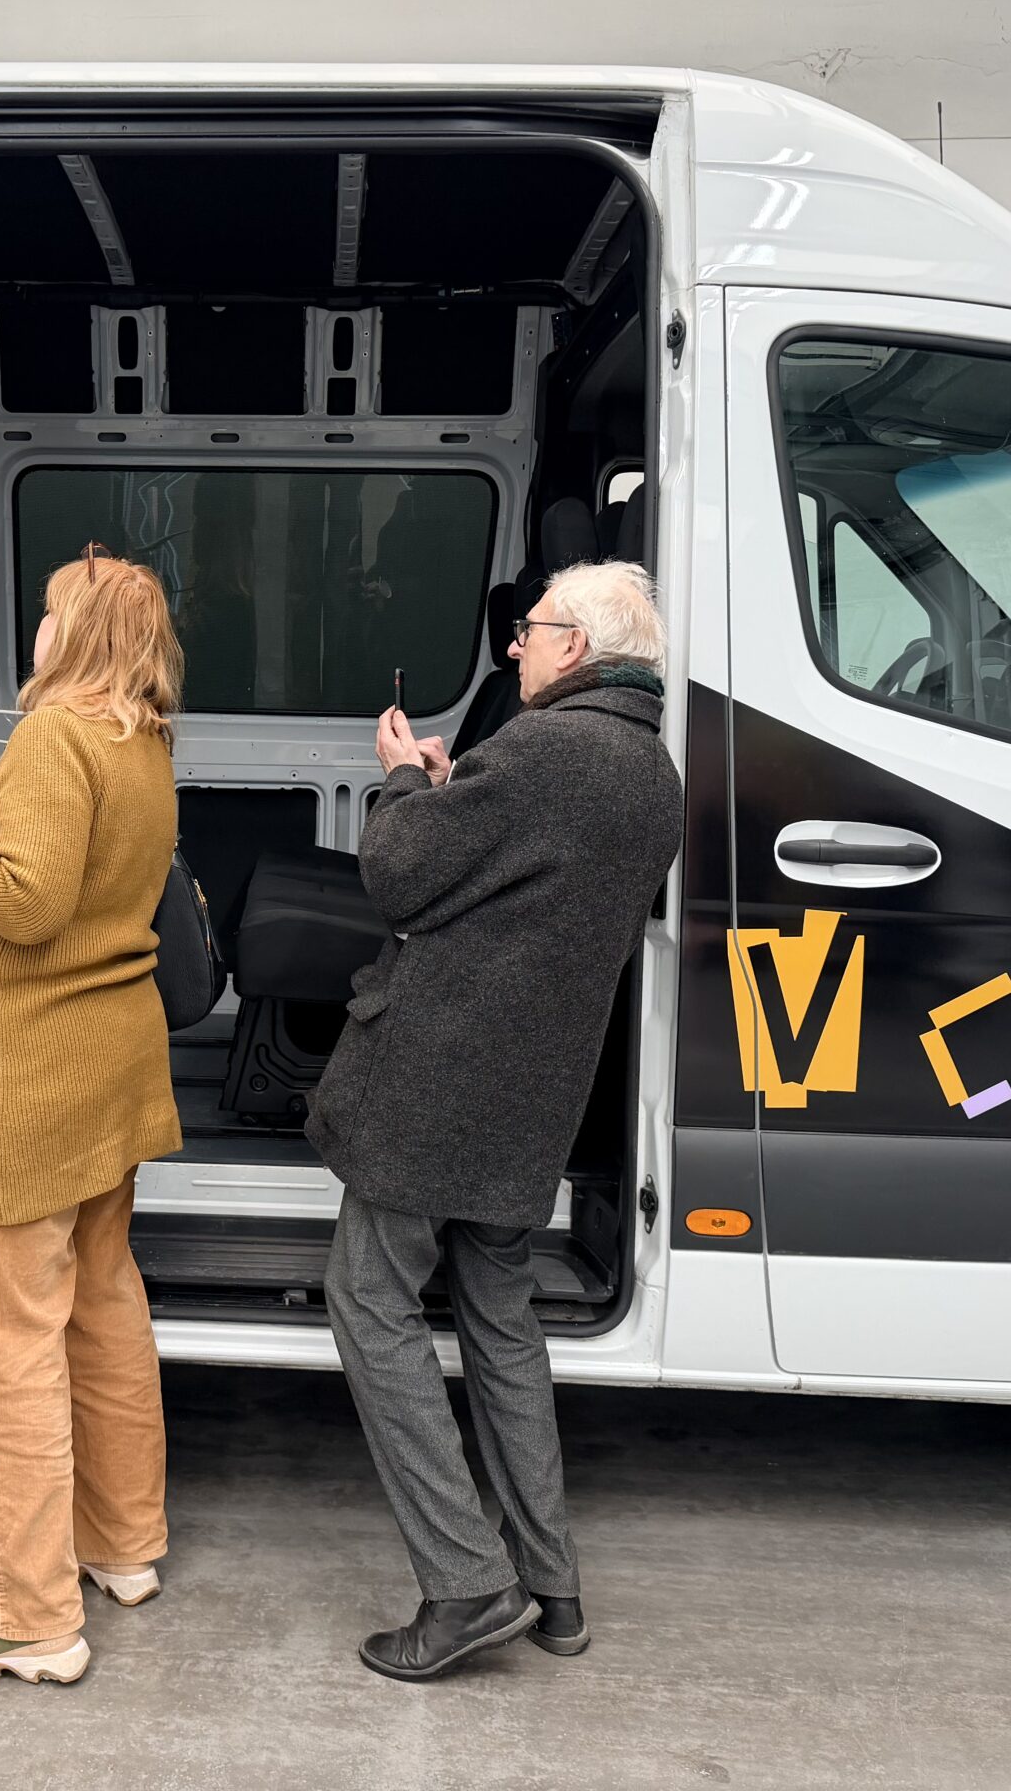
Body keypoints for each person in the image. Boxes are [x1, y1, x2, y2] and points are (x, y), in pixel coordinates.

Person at [308, 557, 683, 1683]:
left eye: (530, 628)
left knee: (367, 1299)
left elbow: (398, 875)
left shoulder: (541, 751)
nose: (514, 643)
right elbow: (510, 876)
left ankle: (467, 1583)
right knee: (499, 1314)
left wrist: (400, 780)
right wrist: (449, 786)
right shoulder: (650, 771)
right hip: (531, 1094)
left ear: (577, 646)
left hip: (440, 1084)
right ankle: (550, 1583)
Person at [0, 550, 185, 1688]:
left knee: (4, 1348)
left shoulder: (62, 735)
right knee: (101, 1309)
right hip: (106, 1072)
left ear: (82, 631)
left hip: (28, 1085)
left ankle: (26, 1615)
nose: (39, 627)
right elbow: (37, 821)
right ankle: (123, 1544)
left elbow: (23, 897)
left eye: (53, 612)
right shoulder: (136, 738)